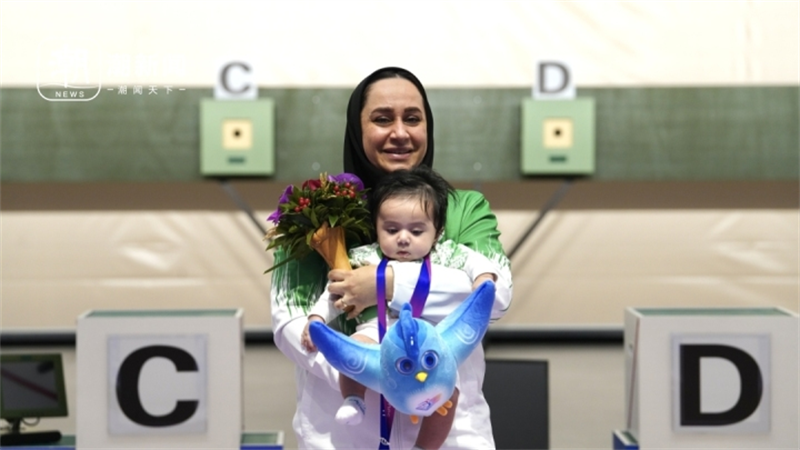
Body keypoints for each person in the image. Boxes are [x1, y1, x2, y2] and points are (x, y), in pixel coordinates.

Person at [270, 67, 513, 450]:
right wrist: (377, 372)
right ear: (357, 128)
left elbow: (494, 299)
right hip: (342, 436)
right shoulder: (317, 213)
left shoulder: (462, 208)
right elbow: (290, 322)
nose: (400, 133)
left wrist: (385, 284)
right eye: (382, 119)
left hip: (453, 435)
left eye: (412, 119)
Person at [299, 166, 499, 444]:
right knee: (354, 350)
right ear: (376, 228)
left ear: (437, 232)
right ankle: (354, 398)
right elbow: (336, 292)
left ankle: (425, 446)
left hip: (430, 337)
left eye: (416, 230)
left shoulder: (447, 254)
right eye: (391, 229)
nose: (403, 238)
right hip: (375, 331)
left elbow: (477, 261)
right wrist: (316, 318)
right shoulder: (365, 257)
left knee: (448, 391)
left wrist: (484, 277)